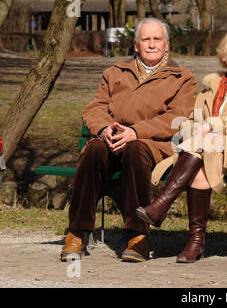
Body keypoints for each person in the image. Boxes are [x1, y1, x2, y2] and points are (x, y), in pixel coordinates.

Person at [136, 30, 227, 263]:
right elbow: (191, 124)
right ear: (224, 56)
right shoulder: (209, 89)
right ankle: (195, 242)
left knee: (204, 142)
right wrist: (199, 131)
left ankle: (161, 206)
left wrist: (213, 125)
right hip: (205, 151)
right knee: (200, 171)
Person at [60, 18, 197, 262]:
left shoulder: (182, 78)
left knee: (135, 149)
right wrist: (103, 128)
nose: (152, 44)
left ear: (166, 45)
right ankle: (77, 232)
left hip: (152, 145)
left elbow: (178, 118)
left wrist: (136, 131)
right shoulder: (115, 73)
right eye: (146, 39)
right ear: (136, 45)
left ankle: (138, 235)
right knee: (93, 152)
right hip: (112, 141)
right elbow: (94, 108)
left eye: (157, 39)